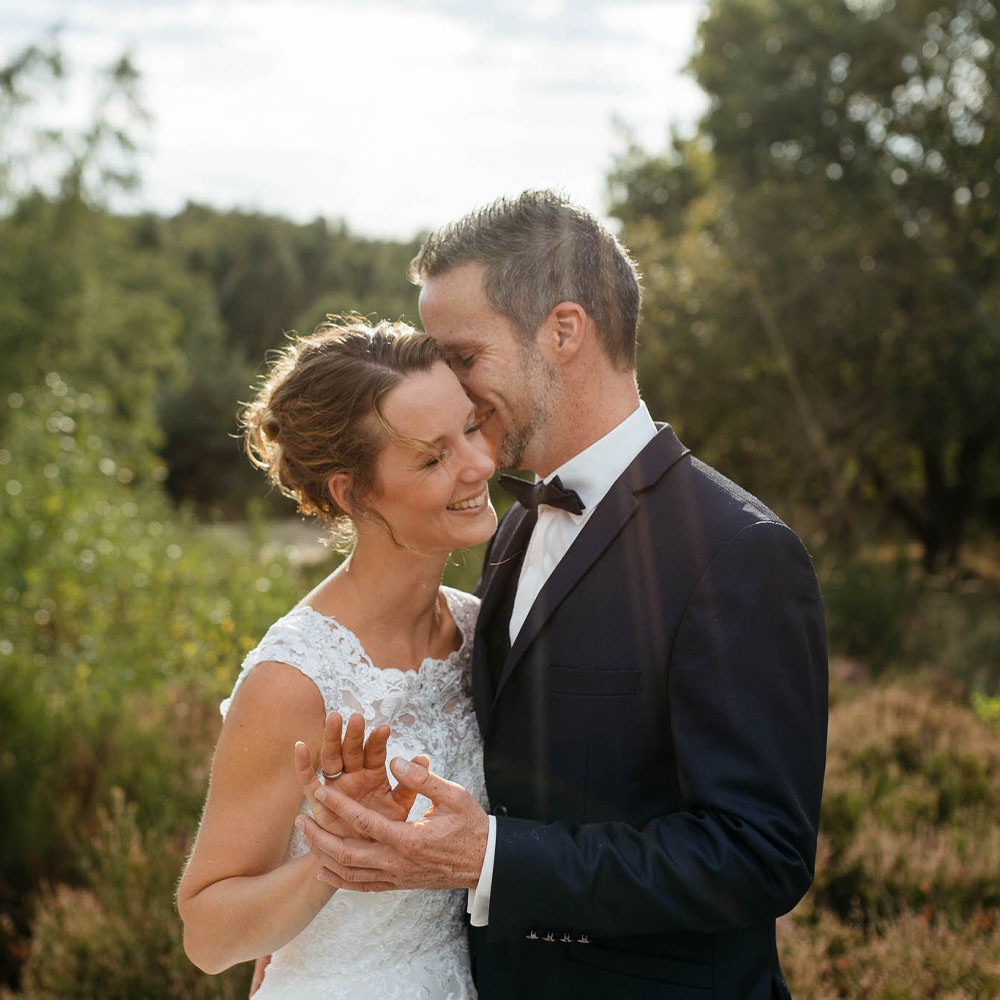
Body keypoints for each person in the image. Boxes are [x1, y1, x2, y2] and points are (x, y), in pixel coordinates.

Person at [297, 191, 829, 1000]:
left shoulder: (740, 553)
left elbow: (759, 855)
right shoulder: (506, 531)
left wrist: (491, 859)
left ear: (564, 331)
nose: (450, 393)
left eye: (463, 358)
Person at [176, 318, 497, 999]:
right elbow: (206, 936)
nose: (480, 465)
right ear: (352, 493)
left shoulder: (478, 629)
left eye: (470, 428)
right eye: (432, 457)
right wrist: (336, 855)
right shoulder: (294, 681)